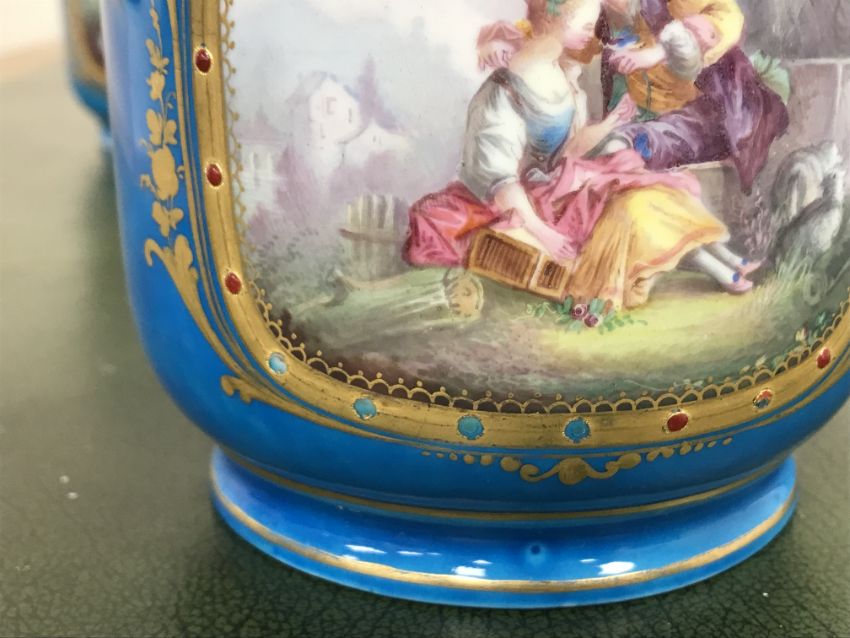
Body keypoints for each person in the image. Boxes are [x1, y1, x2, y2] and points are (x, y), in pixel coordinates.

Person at [404, 0, 755, 310]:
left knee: (649, 190)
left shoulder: (561, 74)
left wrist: (613, 122)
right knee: (633, 208)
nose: (592, 33)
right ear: (556, 20)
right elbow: (501, 181)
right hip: (528, 206)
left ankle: (725, 259)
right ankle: (720, 268)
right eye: (586, 25)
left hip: (559, 186)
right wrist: (545, 234)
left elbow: (571, 148)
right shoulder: (503, 91)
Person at [477, 0, 789, 193]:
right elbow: (558, 35)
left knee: (615, 149)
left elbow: (723, 21)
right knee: (582, 152)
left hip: (691, 117)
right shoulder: (602, 12)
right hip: (632, 111)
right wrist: (504, 43)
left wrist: (659, 51)